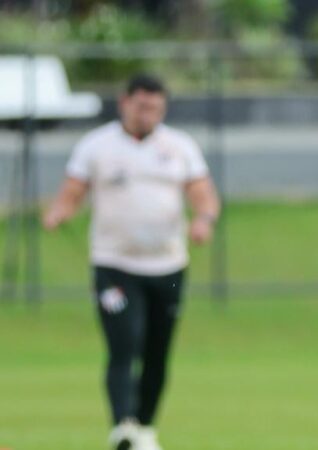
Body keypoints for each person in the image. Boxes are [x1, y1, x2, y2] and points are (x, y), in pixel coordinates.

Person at [43, 74, 220, 450]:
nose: (148, 114)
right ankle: (123, 426)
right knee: (124, 343)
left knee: (158, 350)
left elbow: (203, 193)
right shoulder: (97, 146)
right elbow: (72, 192)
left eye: (155, 107)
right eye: (142, 106)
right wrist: (59, 212)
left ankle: (146, 428)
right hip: (114, 265)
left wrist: (203, 220)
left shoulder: (179, 146)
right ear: (124, 103)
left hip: (168, 267)